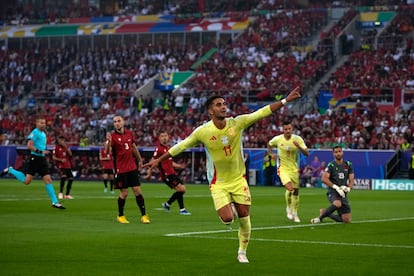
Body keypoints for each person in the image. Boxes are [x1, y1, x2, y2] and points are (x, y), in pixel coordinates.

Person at [144, 87, 302, 263]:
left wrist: (285, 100)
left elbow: (261, 113)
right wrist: (158, 160)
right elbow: (180, 146)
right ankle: (230, 210)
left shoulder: (237, 123)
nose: (223, 107)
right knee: (228, 219)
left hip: (238, 179)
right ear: (211, 110)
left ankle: (242, 252)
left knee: (244, 217)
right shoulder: (203, 131)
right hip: (218, 182)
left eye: (224, 104)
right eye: (219, 105)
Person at [0, 117, 65, 209]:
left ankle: (55, 202)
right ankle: (10, 170)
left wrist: (44, 151)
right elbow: (29, 146)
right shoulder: (35, 132)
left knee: (48, 180)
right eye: (41, 123)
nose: (43, 124)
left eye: (44, 123)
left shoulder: (43, 134)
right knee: (27, 181)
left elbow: (40, 146)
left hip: (41, 159)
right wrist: (40, 151)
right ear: (37, 123)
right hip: (34, 158)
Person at [105, 115, 150, 224]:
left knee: (137, 191)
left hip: (132, 168)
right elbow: (107, 152)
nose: (117, 123)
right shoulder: (113, 137)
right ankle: (120, 216)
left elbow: (133, 147)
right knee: (124, 193)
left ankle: (144, 215)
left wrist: (140, 160)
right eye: (115, 121)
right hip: (121, 169)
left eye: (119, 121)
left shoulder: (129, 134)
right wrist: (108, 142)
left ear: (123, 122)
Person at [268, 121, 309, 223]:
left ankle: (295, 213)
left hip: (294, 169)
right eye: (285, 129)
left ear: (292, 129)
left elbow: (307, 153)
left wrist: (299, 147)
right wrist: (271, 154)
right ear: (283, 130)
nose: (287, 131)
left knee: (295, 192)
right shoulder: (278, 139)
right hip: (282, 168)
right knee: (289, 188)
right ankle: (288, 208)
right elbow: (269, 145)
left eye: (289, 129)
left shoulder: (297, 139)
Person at [144, 131, 191, 215]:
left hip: (172, 173)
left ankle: (170, 205)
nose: (164, 137)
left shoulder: (169, 148)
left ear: (168, 137)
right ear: (159, 138)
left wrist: (179, 166)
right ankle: (179, 208)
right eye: (162, 136)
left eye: (166, 135)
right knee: (181, 189)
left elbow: (170, 162)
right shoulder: (159, 149)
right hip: (166, 175)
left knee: (182, 190)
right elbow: (153, 161)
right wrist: (149, 173)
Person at [311, 145, 354, 224]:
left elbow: (351, 179)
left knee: (346, 220)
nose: (338, 154)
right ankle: (320, 218)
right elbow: (324, 178)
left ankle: (325, 213)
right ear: (333, 154)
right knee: (337, 204)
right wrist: (336, 187)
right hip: (333, 191)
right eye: (336, 152)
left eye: (339, 151)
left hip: (343, 193)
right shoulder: (331, 165)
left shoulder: (348, 164)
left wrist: (348, 188)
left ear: (342, 152)